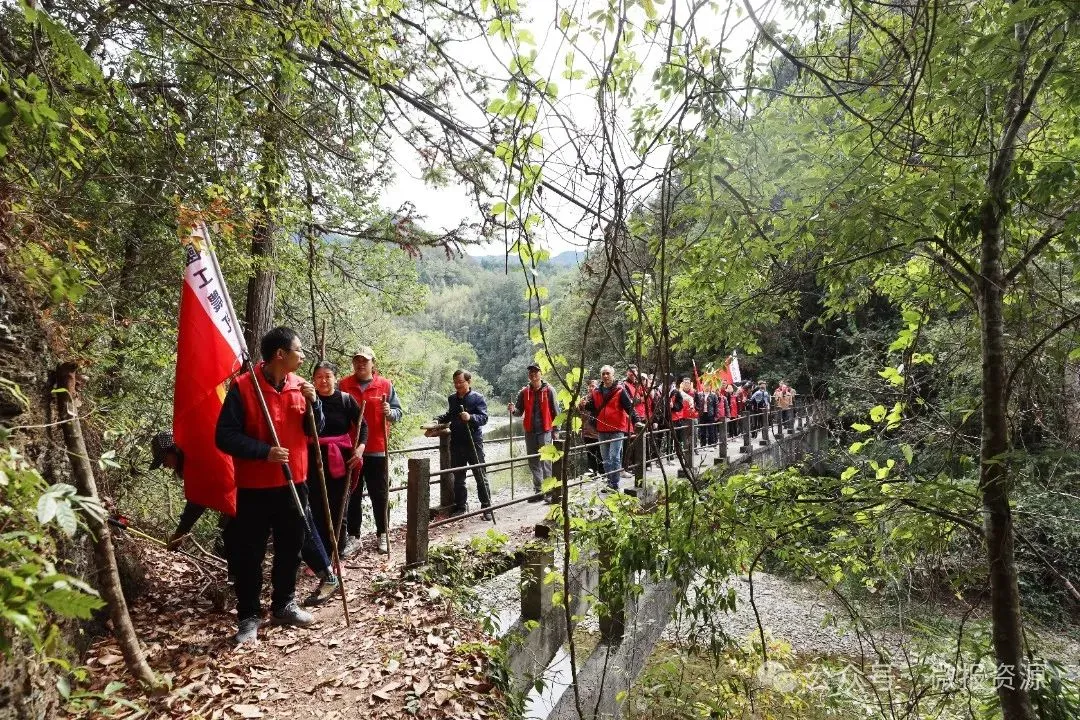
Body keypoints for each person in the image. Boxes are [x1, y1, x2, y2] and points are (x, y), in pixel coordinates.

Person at [215, 326, 324, 644]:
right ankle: (248, 616)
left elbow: (315, 429)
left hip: (294, 483)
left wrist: (315, 405)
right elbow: (224, 436)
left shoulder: (301, 386)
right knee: (249, 554)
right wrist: (264, 452)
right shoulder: (244, 387)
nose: (302, 355)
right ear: (280, 354)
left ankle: (284, 605)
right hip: (254, 487)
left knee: (291, 548)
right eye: (298, 350)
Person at [338, 346, 402, 556]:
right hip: (351, 448)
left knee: (379, 494)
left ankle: (382, 533)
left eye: (365, 360)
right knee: (352, 494)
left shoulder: (385, 385)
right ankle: (354, 537)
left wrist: (390, 412)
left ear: (373, 363)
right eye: (357, 360)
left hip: (377, 449)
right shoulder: (343, 385)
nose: (360, 364)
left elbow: (399, 413)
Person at [308, 361, 367, 574]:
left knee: (339, 510)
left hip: (341, 460)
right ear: (313, 380)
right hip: (313, 460)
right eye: (319, 377)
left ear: (335, 378)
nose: (323, 381)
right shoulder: (308, 400)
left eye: (328, 376)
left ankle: (336, 557)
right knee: (316, 510)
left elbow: (363, 425)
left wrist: (359, 449)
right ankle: (322, 560)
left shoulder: (345, 400)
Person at [150, 431, 228, 555]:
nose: (165, 466)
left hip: (246, 495)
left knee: (230, 540)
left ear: (174, 450)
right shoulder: (191, 459)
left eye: (164, 459)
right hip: (236, 501)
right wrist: (180, 533)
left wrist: (179, 534)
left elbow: (197, 502)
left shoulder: (196, 458)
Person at [436, 369, 493, 519]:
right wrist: (438, 420)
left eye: (460, 382)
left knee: (480, 475)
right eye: (455, 382)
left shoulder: (478, 398)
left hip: (473, 442)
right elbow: (450, 415)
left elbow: (484, 418)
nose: (457, 385)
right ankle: (461, 507)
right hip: (456, 442)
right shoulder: (452, 398)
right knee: (458, 477)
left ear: (468, 381)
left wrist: (471, 417)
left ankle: (487, 507)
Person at [578, 366, 642, 493]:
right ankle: (609, 483)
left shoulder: (620, 390)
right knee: (606, 459)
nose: (605, 376)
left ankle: (614, 484)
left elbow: (629, 407)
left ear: (613, 375)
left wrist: (637, 421)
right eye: (603, 374)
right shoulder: (597, 391)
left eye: (608, 373)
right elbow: (593, 407)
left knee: (614, 457)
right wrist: (584, 405)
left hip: (617, 429)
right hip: (602, 429)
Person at [508, 363, 560, 501]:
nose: (533, 374)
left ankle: (549, 492)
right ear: (528, 375)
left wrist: (556, 430)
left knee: (546, 461)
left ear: (541, 373)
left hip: (545, 430)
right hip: (530, 431)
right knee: (533, 461)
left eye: (536, 372)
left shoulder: (550, 390)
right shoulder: (524, 392)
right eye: (531, 372)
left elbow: (556, 411)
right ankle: (539, 491)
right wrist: (513, 410)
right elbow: (519, 412)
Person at [580, 379, 603, 476]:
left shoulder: (600, 398)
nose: (591, 388)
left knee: (601, 454)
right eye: (589, 386)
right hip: (587, 432)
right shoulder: (583, 399)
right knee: (590, 454)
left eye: (593, 386)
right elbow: (579, 413)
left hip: (598, 432)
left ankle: (603, 474)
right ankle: (593, 473)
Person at [670, 377, 698, 455]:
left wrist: (696, 410)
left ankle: (694, 448)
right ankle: (686, 450)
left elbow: (698, 403)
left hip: (692, 416)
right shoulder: (678, 392)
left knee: (694, 433)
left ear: (690, 384)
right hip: (683, 417)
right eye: (685, 383)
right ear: (682, 384)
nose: (686, 384)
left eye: (688, 383)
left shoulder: (694, 392)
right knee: (684, 434)